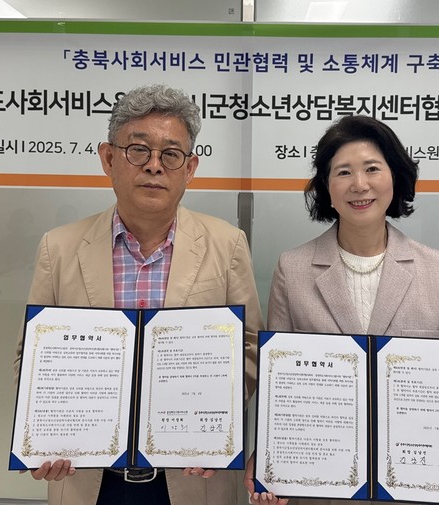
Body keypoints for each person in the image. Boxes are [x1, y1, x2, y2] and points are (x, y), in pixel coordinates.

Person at [15, 84, 265, 505]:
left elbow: (249, 346)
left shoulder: (227, 244)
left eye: (171, 154)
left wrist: (213, 425)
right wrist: (41, 437)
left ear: (190, 168)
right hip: (86, 479)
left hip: (191, 478)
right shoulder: (58, 247)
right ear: (108, 159)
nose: (154, 166)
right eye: (138, 150)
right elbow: (33, 355)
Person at [245, 115, 439, 505]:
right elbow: (280, 385)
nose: (359, 184)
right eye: (343, 172)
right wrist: (269, 456)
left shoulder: (437, 268)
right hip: (322, 482)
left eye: (372, 169)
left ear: (394, 177)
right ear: (327, 187)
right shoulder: (293, 268)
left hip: (413, 483)